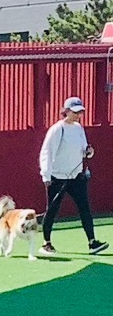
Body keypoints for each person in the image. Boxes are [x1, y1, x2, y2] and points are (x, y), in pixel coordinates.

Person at [38, 97, 107, 255]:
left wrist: (89, 152)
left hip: (76, 177)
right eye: (75, 112)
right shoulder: (57, 129)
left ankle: (92, 242)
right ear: (66, 111)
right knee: (52, 210)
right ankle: (46, 243)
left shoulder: (78, 128)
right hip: (57, 178)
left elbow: (84, 149)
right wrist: (46, 175)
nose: (78, 115)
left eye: (80, 112)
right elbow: (46, 152)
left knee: (85, 208)